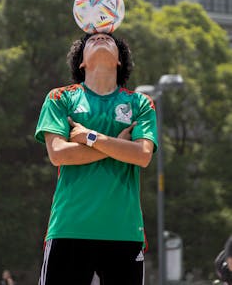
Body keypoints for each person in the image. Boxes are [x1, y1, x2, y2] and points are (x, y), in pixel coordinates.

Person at [35, 32, 158, 285]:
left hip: (124, 232)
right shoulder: (60, 98)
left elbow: (142, 155)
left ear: (119, 61)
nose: (100, 39)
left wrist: (88, 137)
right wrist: (119, 145)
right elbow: (58, 154)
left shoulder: (141, 103)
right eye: (91, 40)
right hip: (69, 228)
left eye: (108, 39)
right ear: (81, 62)